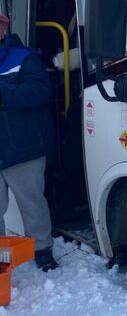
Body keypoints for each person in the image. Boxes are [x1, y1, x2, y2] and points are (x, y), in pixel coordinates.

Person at [0, 15, 58, 271]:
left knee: (31, 202)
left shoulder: (23, 58)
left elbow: (40, 92)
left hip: (23, 148)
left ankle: (42, 249)